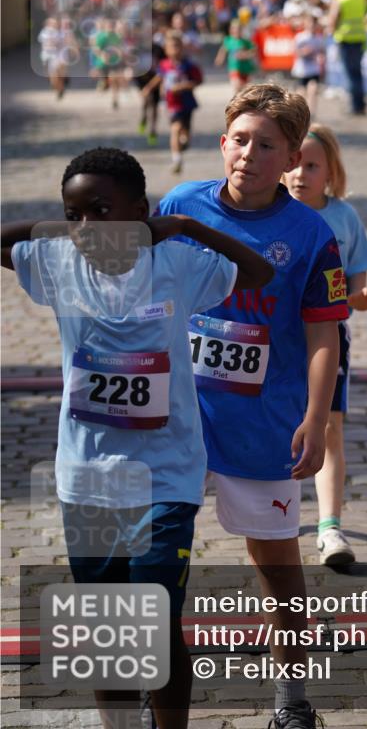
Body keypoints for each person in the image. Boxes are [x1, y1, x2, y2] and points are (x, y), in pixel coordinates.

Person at [0, 147, 273, 729]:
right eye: (73, 215)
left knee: (154, 617)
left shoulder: (176, 263)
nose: (87, 227)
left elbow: (259, 274)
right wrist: (58, 230)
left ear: (141, 211)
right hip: (87, 476)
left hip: (165, 473)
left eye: (102, 211)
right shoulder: (57, 263)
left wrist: (186, 227)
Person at [157, 84, 348, 729]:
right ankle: (145, 701)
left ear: (291, 155)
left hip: (264, 422)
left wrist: (315, 420)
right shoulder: (181, 207)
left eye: (266, 145)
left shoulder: (311, 232)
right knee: (150, 563)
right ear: (222, 143)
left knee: (276, 566)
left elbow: (326, 333)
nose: (249, 155)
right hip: (175, 417)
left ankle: (293, 700)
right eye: (240, 140)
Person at [284, 124, 367, 566]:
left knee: (329, 427)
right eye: (295, 163)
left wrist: (357, 299)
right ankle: (274, 515)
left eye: (312, 165)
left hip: (328, 338)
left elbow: (355, 284)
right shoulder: (273, 212)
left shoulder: (345, 218)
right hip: (274, 336)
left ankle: (329, 527)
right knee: (276, 424)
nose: (301, 173)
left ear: (331, 172)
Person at [144, 32, 203, 175]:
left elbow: (198, 81)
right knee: (175, 129)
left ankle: (184, 142)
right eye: (171, 47)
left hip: (186, 103)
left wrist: (183, 86)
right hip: (171, 104)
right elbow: (159, 77)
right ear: (166, 49)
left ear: (182, 48)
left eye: (177, 46)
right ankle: (177, 160)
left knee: (186, 135)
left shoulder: (188, 65)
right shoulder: (164, 65)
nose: (174, 49)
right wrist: (148, 88)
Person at [327, 0, 367, 115]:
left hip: (345, 39)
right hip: (360, 38)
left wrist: (331, 31)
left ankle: (356, 106)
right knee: (358, 73)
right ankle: (361, 104)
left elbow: (333, 19)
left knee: (351, 75)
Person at [291, 14, 326, 117]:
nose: (312, 25)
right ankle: (300, 113)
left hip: (313, 69)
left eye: (314, 23)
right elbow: (295, 52)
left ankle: (311, 114)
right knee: (301, 93)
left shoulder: (319, 39)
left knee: (313, 90)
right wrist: (304, 52)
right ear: (305, 24)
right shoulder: (300, 37)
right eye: (310, 23)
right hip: (302, 69)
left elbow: (322, 52)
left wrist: (321, 57)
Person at [214, 16, 257, 93]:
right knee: (236, 86)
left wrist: (245, 55)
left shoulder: (246, 42)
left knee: (246, 90)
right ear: (231, 30)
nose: (236, 31)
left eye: (238, 29)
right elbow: (223, 49)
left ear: (241, 30)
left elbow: (253, 52)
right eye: (234, 29)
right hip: (234, 68)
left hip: (245, 68)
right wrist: (219, 58)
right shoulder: (228, 40)